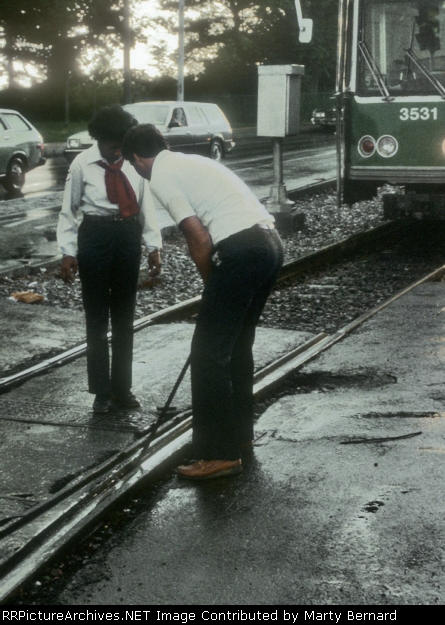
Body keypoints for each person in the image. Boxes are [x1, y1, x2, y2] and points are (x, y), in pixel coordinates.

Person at [122, 123, 283, 481]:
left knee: (208, 353)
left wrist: (212, 284)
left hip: (241, 250)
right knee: (237, 346)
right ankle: (239, 437)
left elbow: (197, 236)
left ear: (136, 158)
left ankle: (217, 454)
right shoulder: (190, 162)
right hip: (270, 244)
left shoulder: (159, 175)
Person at [57, 106, 163, 414]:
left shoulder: (133, 163)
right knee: (96, 318)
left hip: (127, 236)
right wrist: (68, 251)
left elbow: (147, 206)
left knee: (124, 317)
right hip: (95, 236)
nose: (115, 147)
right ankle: (101, 392)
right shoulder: (81, 164)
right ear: (97, 138)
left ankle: (122, 389)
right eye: (109, 141)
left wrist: (153, 246)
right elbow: (69, 210)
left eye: (120, 141)